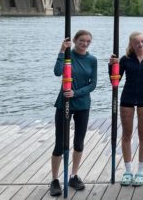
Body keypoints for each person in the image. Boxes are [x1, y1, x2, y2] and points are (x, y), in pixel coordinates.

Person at [49, 30, 97, 197]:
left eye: (88, 41)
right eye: (82, 40)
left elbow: (93, 85)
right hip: (64, 104)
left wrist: (76, 93)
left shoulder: (92, 60)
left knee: (79, 142)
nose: (84, 43)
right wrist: (62, 51)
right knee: (60, 143)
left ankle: (73, 176)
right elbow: (56, 72)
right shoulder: (68, 56)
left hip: (82, 104)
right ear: (75, 41)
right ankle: (55, 180)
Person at [109, 32, 143, 187]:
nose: (140, 44)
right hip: (127, 99)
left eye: (142, 41)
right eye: (137, 42)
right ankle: (128, 171)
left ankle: (141, 171)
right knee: (126, 134)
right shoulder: (125, 60)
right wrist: (112, 66)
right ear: (131, 44)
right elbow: (114, 81)